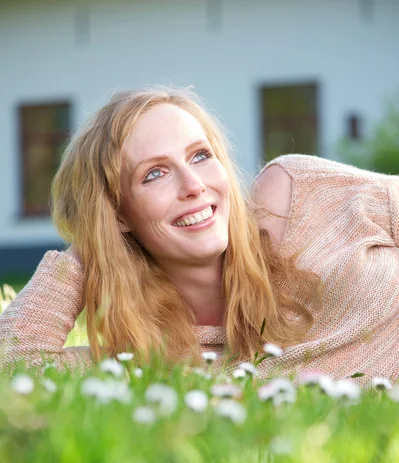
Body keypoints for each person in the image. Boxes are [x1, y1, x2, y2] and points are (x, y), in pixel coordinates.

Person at [0, 86, 398, 384]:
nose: (193, 185)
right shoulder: (150, 363)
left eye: (201, 156)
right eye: (154, 173)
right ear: (118, 214)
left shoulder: (296, 193)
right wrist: (89, 248)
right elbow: (15, 366)